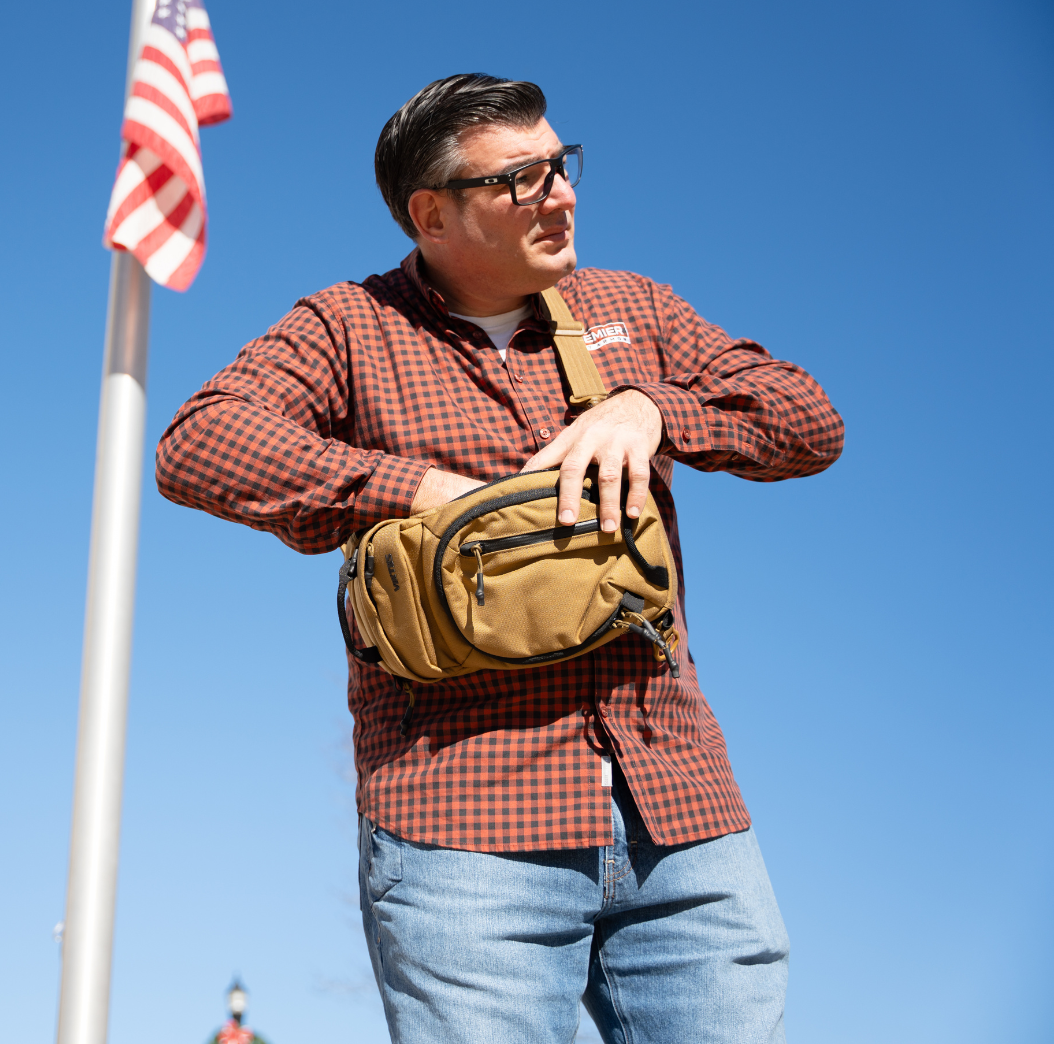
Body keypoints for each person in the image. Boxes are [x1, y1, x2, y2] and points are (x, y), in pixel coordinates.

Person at [154, 74, 843, 1043]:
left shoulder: (633, 306)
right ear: (430, 213)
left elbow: (809, 420)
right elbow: (198, 445)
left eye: (562, 165)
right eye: (522, 179)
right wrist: (419, 491)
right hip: (462, 828)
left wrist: (650, 409)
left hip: (683, 814)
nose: (561, 194)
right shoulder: (346, 327)